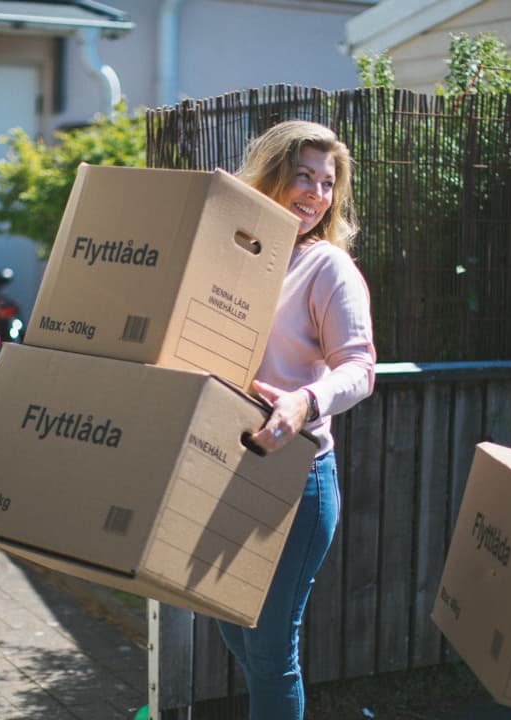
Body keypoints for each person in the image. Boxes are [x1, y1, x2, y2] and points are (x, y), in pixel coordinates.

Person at [216, 120, 376, 719]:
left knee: (269, 649)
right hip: (225, 462)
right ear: (272, 175)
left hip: (297, 480)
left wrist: (303, 401)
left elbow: (359, 368)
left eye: (327, 182)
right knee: (227, 617)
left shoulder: (327, 268)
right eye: (302, 176)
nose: (314, 193)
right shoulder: (234, 253)